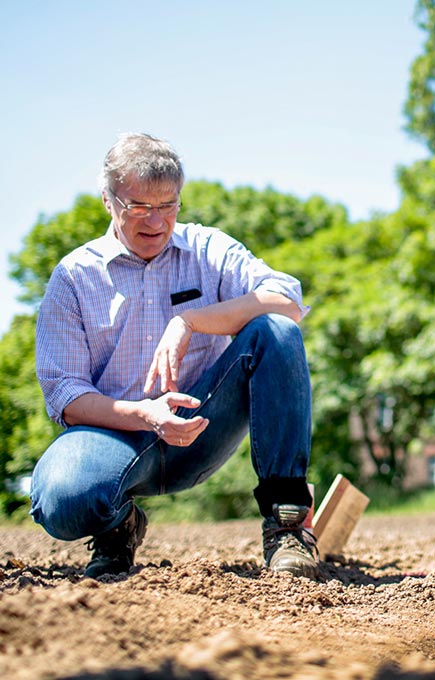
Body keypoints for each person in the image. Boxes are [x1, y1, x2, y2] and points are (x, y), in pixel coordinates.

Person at [30, 133, 319, 580]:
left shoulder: (207, 249)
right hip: (114, 436)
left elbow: (288, 301)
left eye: (168, 206)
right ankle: (116, 527)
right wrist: (145, 415)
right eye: (139, 207)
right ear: (108, 200)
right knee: (60, 498)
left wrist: (191, 321)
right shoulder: (72, 278)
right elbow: (66, 395)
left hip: (203, 425)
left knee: (274, 330)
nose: (156, 222)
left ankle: (287, 523)